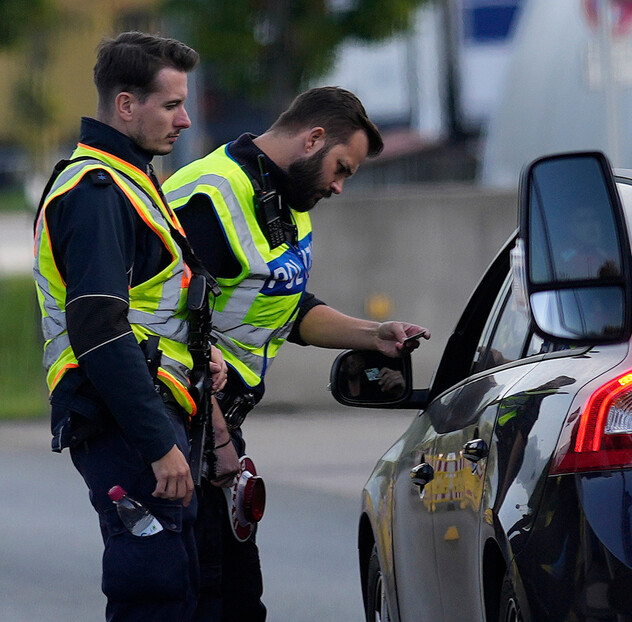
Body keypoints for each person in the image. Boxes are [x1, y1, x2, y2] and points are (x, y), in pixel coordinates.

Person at [164, 86, 429, 621]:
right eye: (341, 168)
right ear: (312, 139)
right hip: (180, 422)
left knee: (238, 597)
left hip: (216, 427)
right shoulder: (210, 197)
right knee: (200, 597)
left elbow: (284, 306)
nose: (339, 186)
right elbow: (166, 330)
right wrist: (217, 440)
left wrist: (372, 335)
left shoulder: (287, 200)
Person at [31, 31, 227, 621]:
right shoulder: (96, 192)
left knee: (180, 586)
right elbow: (100, 330)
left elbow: (152, 311)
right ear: (125, 105)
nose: (186, 120)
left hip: (148, 413)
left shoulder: (132, 181)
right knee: (152, 591)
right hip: (124, 422)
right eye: (171, 105)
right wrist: (158, 444)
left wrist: (198, 361)